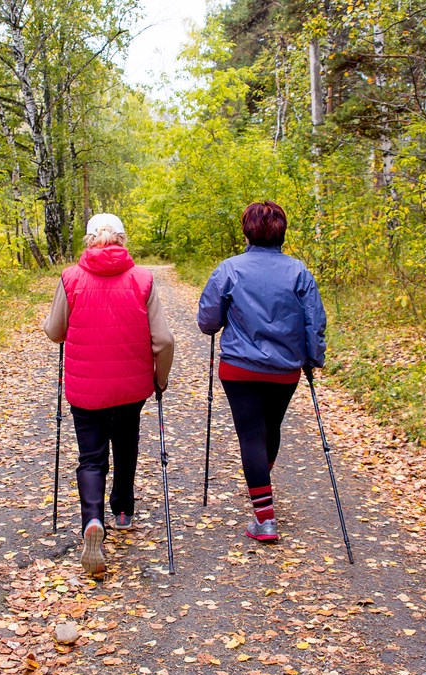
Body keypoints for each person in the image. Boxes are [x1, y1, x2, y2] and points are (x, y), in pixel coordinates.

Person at [44, 214, 175, 578]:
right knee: (126, 444)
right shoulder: (143, 279)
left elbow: (56, 332)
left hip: (86, 389)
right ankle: (122, 511)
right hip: (131, 388)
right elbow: (163, 341)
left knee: (91, 458)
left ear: (89, 241)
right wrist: (159, 380)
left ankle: (92, 520)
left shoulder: (71, 278)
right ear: (122, 239)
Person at [196, 201, 326, 543]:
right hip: (285, 370)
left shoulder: (229, 269)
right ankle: (262, 492)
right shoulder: (300, 272)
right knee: (270, 429)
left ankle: (264, 515)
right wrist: (313, 359)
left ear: (247, 230)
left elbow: (208, 322)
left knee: (252, 435)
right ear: (282, 230)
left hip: (239, 368)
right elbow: (315, 323)